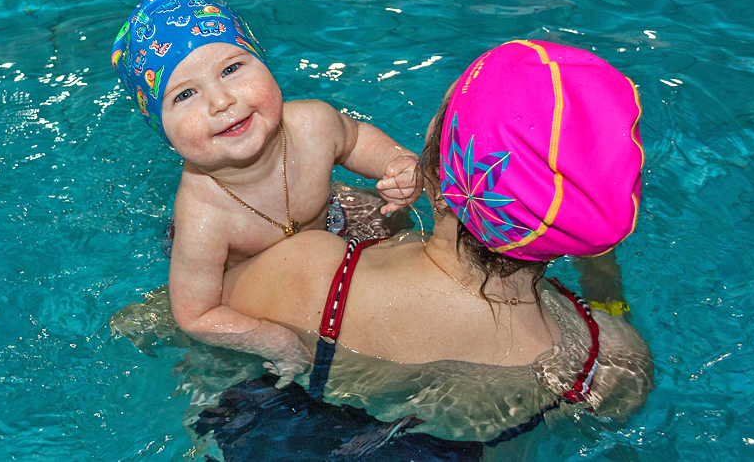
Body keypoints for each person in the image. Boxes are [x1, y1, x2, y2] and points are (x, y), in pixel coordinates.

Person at [182, 39, 653, 453]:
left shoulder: (306, 272)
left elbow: (202, 317)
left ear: (435, 165)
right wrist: (605, 288)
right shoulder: (606, 359)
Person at [110, 0, 422, 386]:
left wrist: (398, 165)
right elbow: (199, 315)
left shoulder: (313, 124)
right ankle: (153, 311)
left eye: (231, 69)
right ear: (164, 132)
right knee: (205, 343)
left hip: (330, 219)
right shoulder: (202, 216)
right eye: (185, 94)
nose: (221, 101)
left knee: (397, 224)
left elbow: (357, 139)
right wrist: (272, 339)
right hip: (240, 274)